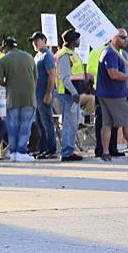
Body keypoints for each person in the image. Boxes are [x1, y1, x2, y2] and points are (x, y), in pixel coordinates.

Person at [96, 29, 128, 162]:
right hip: (115, 95)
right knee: (126, 123)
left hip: (106, 93)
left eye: (127, 37)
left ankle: (105, 153)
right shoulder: (111, 53)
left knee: (107, 124)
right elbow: (113, 74)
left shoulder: (118, 53)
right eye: (122, 37)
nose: (125, 40)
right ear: (113, 37)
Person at [0, 37, 37, 162]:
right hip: (29, 97)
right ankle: (21, 151)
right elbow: (35, 77)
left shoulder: (3, 60)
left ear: (5, 48)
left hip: (12, 98)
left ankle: (13, 152)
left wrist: (8, 84)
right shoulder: (30, 57)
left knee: (13, 126)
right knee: (25, 125)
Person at [56, 29, 85, 161]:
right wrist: (74, 93)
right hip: (69, 95)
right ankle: (67, 152)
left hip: (73, 94)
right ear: (73, 41)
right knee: (69, 124)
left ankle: (69, 150)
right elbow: (66, 78)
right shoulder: (65, 55)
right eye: (78, 39)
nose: (79, 41)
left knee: (72, 123)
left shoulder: (71, 53)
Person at [29, 32, 57, 159]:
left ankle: (51, 150)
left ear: (44, 40)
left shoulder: (47, 55)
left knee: (47, 123)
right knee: (40, 124)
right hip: (36, 95)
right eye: (33, 40)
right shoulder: (37, 56)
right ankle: (43, 148)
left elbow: (52, 75)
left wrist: (49, 93)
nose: (35, 42)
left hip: (44, 94)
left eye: (37, 40)